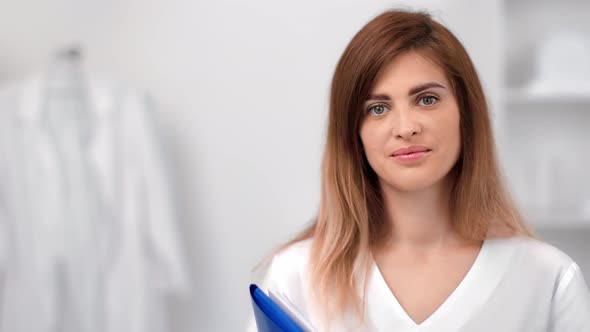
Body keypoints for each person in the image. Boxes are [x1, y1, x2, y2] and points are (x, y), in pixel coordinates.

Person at [247, 9, 590, 332]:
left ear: (466, 114)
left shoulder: (548, 281)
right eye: (378, 108)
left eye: (426, 99)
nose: (406, 127)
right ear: (354, 134)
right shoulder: (295, 278)